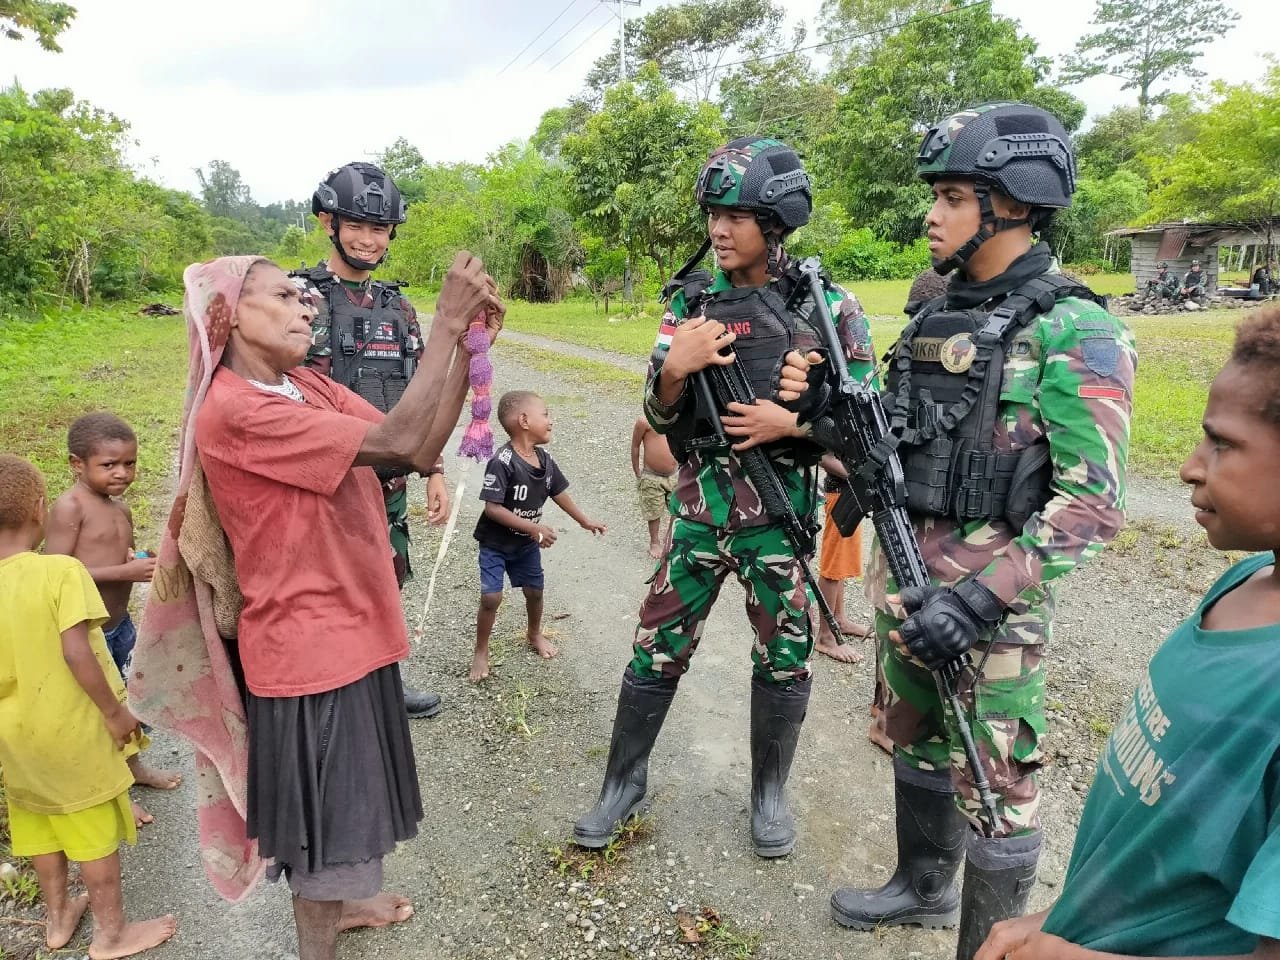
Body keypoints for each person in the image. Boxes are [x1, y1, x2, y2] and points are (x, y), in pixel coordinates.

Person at [824, 103, 1136, 959]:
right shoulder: (933, 317)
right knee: (914, 740)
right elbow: (897, 445)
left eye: (955, 195)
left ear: (1018, 203)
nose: (932, 213)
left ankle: (985, 950)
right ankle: (921, 885)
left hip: (990, 613)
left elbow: (1092, 505)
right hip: (907, 583)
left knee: (998, 788)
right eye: (939, 195)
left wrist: (975, 601)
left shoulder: (1076, 329)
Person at [133, 253, 499, 960]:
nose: (307, 306)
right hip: (309, 654)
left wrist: (466, 347)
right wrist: (448, 324)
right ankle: (320, 941)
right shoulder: (237, 411)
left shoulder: (302, 385)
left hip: (352, 633)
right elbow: (396, 439)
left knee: (346, 812)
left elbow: (413, 443)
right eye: (285, 296)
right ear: (230, 312)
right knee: (323, 836)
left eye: (307, 297)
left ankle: (348, 902)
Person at [573, 136, 875, 859]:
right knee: (656, 645)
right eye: (713, 212)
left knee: (785, 656)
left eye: (736, 215)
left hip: (781, 517)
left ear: (776, 223)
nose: (718, 228)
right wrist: (674, 372)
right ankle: (623, 782)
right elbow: (657, 413)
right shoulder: (691, 302)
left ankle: (769, 794)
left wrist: (792, 422)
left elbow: (864, 419)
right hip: (698, 511)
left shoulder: (829, 308)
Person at [977, 304, 1280, 960]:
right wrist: (1060, 919)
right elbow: (1155, 844)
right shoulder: (1247, 582)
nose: (1189, 467)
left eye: (1222, 443)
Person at [0, 453, 177, 959]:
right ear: (38, 509)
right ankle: (111, 934)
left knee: (40, 824)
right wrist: (114, 712)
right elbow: (76, 649)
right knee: (91, 831)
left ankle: (57, 921)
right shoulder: (59, 573)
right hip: (72, 732)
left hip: (14, 738)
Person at [294, 161, 447, 721]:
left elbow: (421, 391)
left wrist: (434, 472)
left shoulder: (398, 306)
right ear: (327, 223)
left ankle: (382, 683)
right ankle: (322, 691)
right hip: (321, 479)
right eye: (356, 225)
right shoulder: (297, 298)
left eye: (379, 228)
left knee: (389, 573)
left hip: (388, 475)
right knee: (318, 587)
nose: (368, 238)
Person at [43, 412, 183, 827]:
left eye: (130, 463)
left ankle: (133, 769)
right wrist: (123, 573)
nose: (122, 473)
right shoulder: (70, 507)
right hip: (87, 633)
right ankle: (115, 792)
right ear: (76, 464)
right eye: (109, 465)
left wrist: (139, 561)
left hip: (119, 626)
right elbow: (55, 573)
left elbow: (122, 553)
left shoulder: (118, 506)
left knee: (130, 699)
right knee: (99, 709)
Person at [470, 390, 606, 682]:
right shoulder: (502, 461)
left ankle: (534, 634)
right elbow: (492, 508)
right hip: (495, 544)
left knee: (535, 591)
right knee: (491, 597)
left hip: (525, 545)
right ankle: (481, 651)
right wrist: (534, 528)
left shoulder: (544, 459)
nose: (551, 421)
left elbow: (558, 492)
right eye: (545, 414)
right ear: (524, 420)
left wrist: (584, 521)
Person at [814, 453, 871, 664]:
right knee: (832, 569)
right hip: (840, 496)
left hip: (852, 493)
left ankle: (839, 619)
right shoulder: (831, 422)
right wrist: (860, 476)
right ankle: (826, 637)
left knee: (842, 564)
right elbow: (822, 455)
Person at [631, 416, 677, 559]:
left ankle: (670, 538)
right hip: (652, 476)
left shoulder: (677, 419)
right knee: (653, 511)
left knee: (677, 509)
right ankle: (654, 542)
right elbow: (635, 446)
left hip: (675, 474)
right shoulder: (644, 422)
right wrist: (637, 470)